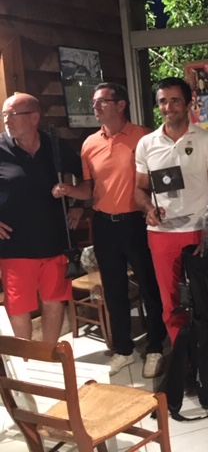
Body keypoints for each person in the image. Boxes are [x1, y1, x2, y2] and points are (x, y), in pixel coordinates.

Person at [133, 77, 208, 397]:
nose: (168, 107)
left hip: (199, 232)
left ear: (188, 103)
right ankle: (190, 363)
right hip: (161, 236)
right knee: (172, 305)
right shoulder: (147, 144)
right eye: (162, 101)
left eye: (174, 100)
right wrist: (148, 209)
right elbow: (139, 189)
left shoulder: (207, 141)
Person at [52, 83, 168, 377]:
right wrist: (69, 192)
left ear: (121, 104)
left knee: (149, 286)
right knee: (114, 290)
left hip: (137, 222)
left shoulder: (144, 136)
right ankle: (123, 350)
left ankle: (156, 347)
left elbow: (157, 180)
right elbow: (89, 189)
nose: (95, 107)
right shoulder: (90, 144)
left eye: (102, 101)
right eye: (94, 102)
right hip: (104, 224)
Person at [0, 93, 83, 343]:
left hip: (54, 241)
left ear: (34, 117)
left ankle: (48, 358)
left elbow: (84, 175)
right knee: (19, 307)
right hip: (15, 245)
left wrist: (78, 204)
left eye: (12, 115)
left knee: (54, 300)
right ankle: (25, 363)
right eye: (4, 115)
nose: (6, 120)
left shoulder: (54, 145)